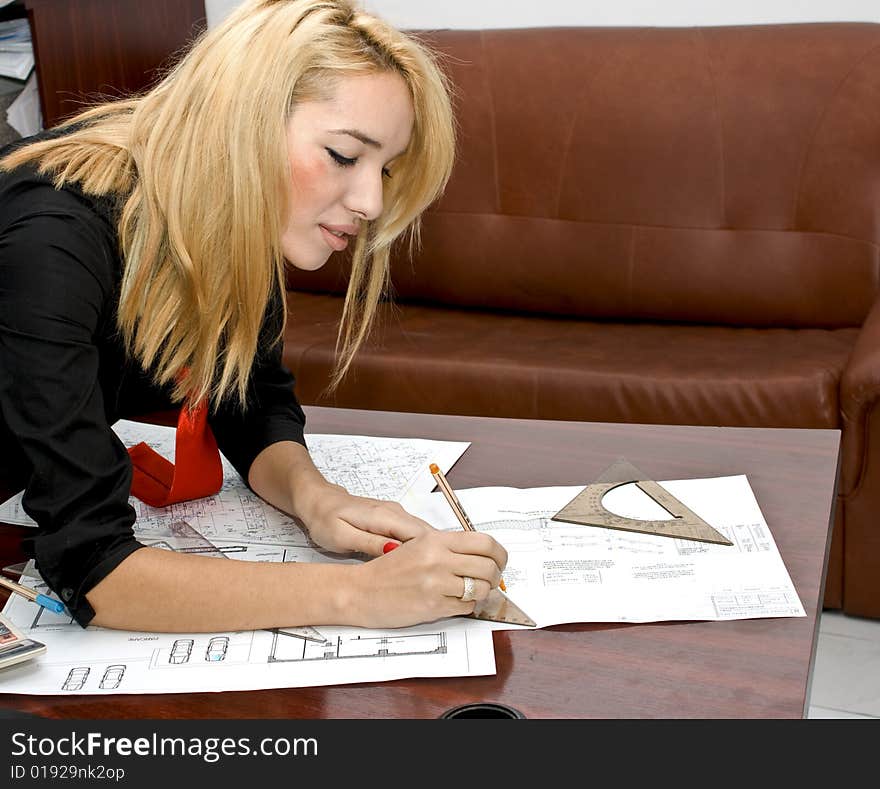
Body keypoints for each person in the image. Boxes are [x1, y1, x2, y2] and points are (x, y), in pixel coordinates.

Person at [0, 0, 507, 633]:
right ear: (243, 124)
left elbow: (247, 396)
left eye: (387, 168)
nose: (373, 201)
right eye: (346, 156)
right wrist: (359, 596)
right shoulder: (53, 241)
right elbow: (96, 571)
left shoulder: (230, 209)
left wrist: (316, 499)